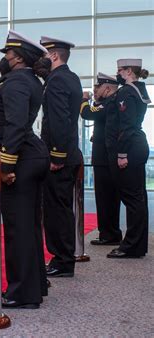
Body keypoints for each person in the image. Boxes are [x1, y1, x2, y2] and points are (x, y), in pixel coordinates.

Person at [0, 30, 49, 309]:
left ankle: (22, 293)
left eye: (8, 53)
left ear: (18, 57)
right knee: (30, 226)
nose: (6, 57)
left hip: (20, 158)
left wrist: (4, 165)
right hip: (31, 154)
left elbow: (13, 125)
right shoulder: (30, 80)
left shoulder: (14, 83)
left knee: (18, 228)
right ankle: (35, 285)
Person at [39, 36, 82, 278]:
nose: (42, 59)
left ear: (54, 56)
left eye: (45, 55)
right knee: (61, 208)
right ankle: (63, 258)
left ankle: (63, 260)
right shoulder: (71, 77)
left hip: (60, 156)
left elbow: (58, 121)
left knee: (57, 210)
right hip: (67, 153)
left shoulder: (56, 81)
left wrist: (56, 156)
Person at [106, 59, 150, 259]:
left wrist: (121, 154)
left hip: (129, 148)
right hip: (138, 145)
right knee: (138, 197)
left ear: (129, 71)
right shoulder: (139, 89)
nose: (117, 74)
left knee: (132, 198)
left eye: (120, 70)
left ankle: (130, 246)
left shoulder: (126, 92)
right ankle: (137, 245)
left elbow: (126, 125)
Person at [80, 73, 122, 245]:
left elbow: (86, 112)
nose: (95, 91)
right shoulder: (109, 103)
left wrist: (84, 99)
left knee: (106, 198)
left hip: (104, 159)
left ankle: (109, 234)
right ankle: (109, 232)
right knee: (107, 198)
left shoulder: (109, 104)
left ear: (107, 88)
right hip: (105, 158)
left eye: (98, 88)